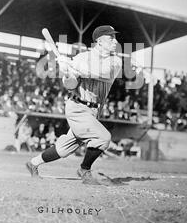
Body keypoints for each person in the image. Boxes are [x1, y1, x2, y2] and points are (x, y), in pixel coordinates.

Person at [26, 25, 122, 184]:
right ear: (99, 41)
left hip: (93, 111)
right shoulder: (82, 58)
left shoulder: (115, 61)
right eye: (111, 38)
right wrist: (66, 73)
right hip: (77, 108)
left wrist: (71, 64)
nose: (115, 41)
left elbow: (101, 73)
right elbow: (71, 85)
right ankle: (84, 169)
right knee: (103, 138)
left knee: (64, 148)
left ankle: (33, 163)